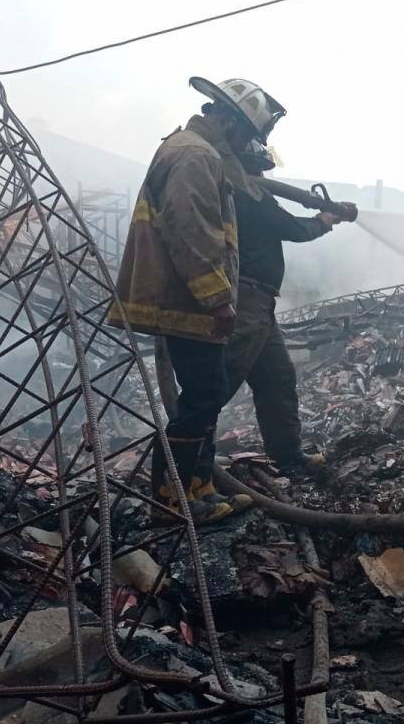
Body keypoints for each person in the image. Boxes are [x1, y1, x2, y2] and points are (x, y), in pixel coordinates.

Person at [108, 77, 285, 524]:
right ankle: (171, 499)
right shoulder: (195, 155)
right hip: (186, 302)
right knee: (203, 396)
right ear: (228, 121)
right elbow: (193, 232)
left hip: (186, 299)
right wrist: (218, 300)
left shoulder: (197, 152)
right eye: (247, 135)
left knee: (206, 393)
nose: (246, 146)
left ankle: (197, 486)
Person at [225, 141, 355, 465]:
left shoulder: (245, 191)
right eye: (260, 168)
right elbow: (293, 228)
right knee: (217, 386)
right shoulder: (247, 194)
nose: (263, 175)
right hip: (246, 303)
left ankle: (288, 459)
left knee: (277, 377)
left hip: (259, 305)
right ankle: (188, 469)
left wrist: (325, 216)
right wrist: (325, 219)